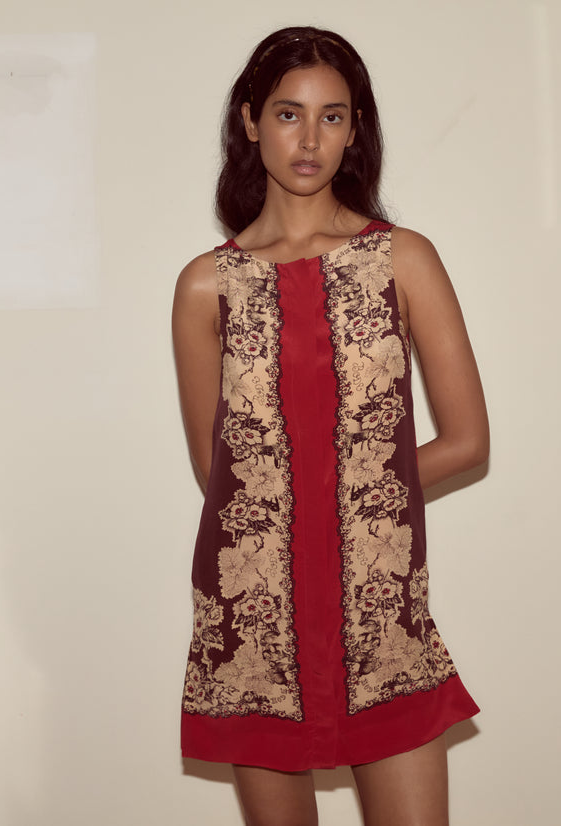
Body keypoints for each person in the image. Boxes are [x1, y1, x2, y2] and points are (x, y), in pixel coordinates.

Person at [172, 25, 489, 826]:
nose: (310, 139)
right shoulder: (205, 286)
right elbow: (219, 472)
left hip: (381, 615)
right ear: (250, 121)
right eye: (288, 114)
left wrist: (345, 496)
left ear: (355, 131)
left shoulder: (404, 259)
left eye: (333, 116)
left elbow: (467, 442)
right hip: (255, 622)